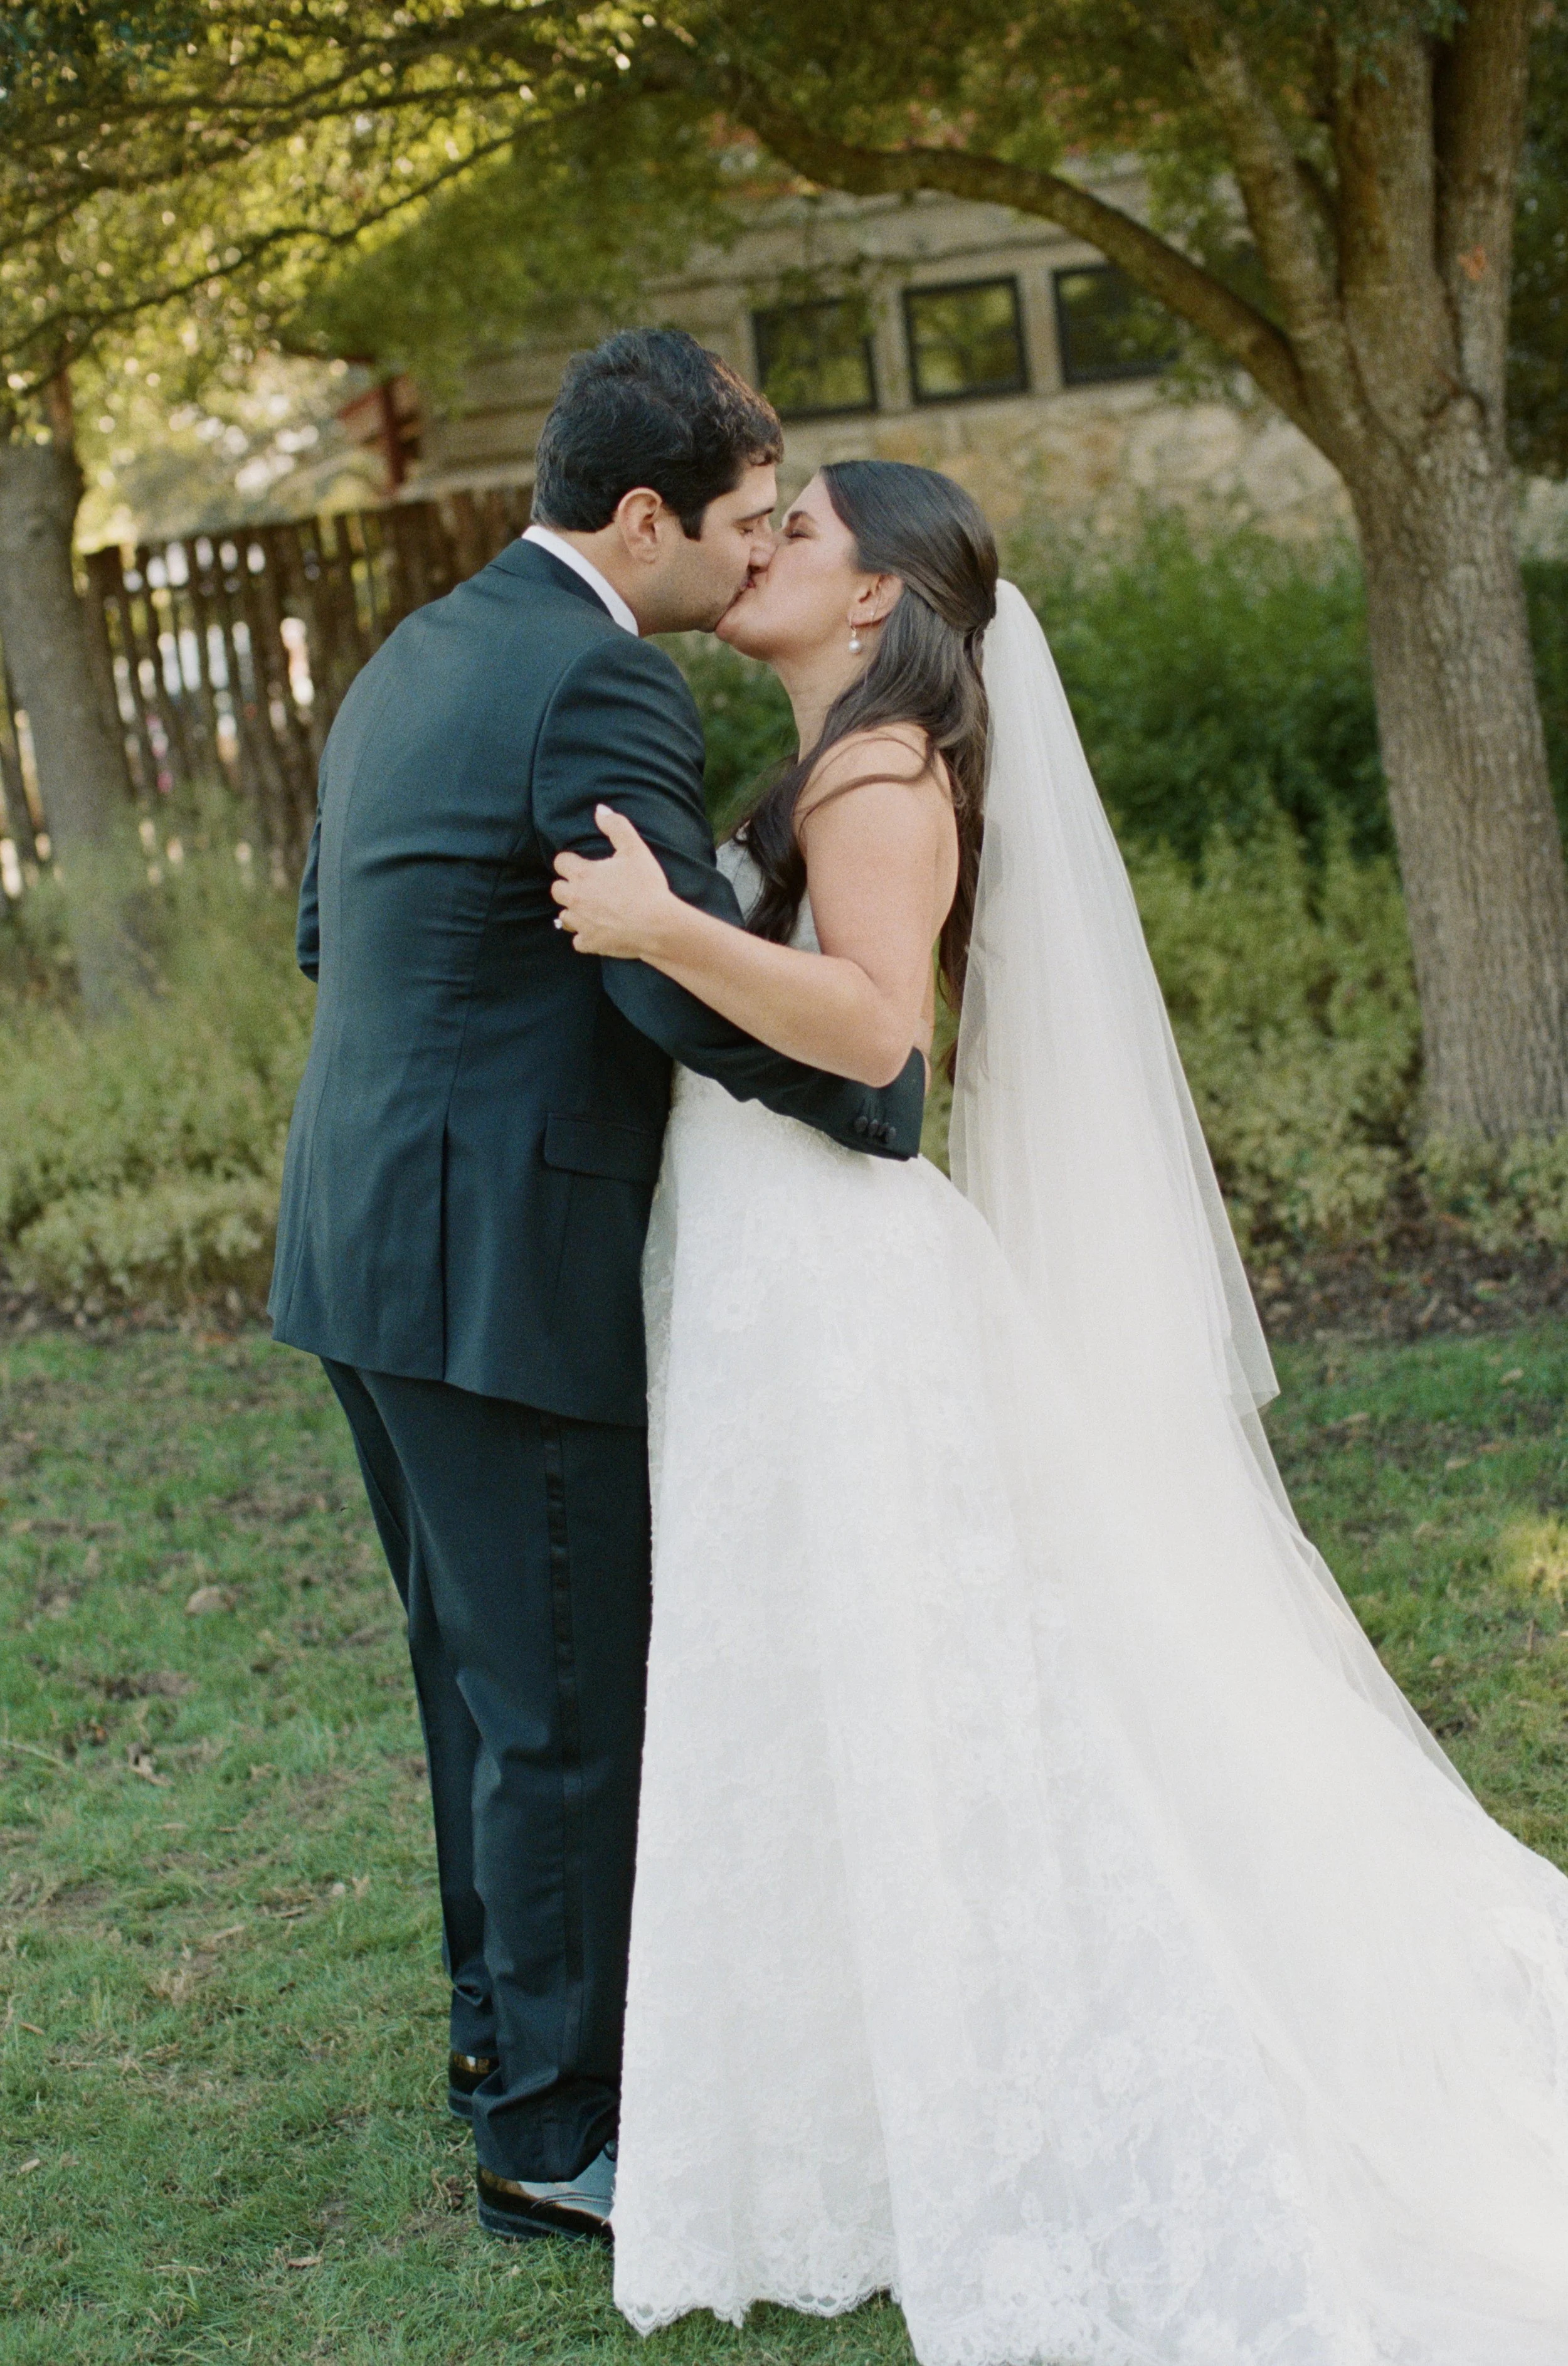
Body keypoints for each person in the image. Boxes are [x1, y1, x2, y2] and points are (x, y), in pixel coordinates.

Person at [551, 457, 1568, 2365]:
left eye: (801, 534)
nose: (760, 546)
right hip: (786, 1276)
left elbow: (872, 1030)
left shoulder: (872, 773)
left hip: (836, 1283)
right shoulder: (847, 760)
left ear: (874, 605)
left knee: (932, 1693)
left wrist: (659, 924)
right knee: (841, 1692)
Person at [267, 336, 926, 2244]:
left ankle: (499, 2045)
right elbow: (657, 978)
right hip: (500, 1261)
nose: (744, 565)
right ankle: (554, 2133)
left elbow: (332, 924)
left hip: (360, 1238)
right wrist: (868, 1090)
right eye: (731, 527)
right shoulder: (602, 675)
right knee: (562, 1699)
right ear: (637, 520)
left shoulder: (417, 646)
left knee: (475, 1685)